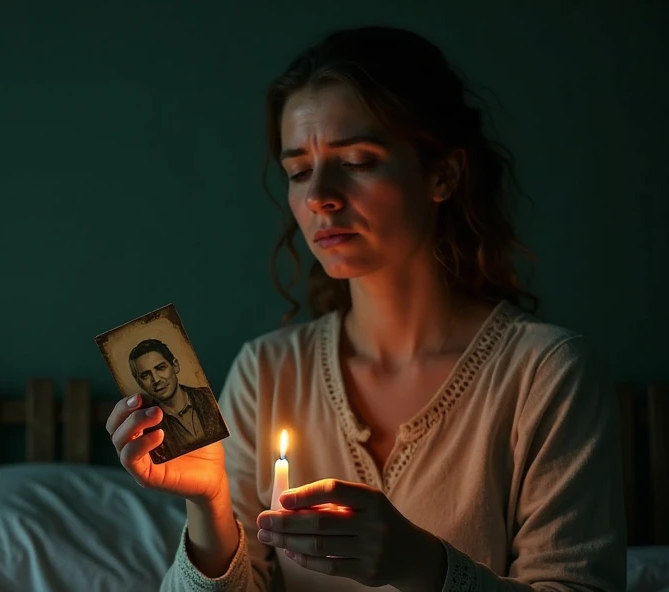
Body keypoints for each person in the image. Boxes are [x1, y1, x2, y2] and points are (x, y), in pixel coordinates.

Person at [105, 25, 625, 592]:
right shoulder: (266, 372)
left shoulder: (547, 375)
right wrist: (209, 506)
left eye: (356, 160)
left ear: (442, 174)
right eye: (299, 171)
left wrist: (422, 566)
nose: (319, 195)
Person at [129, 338, 228, 463]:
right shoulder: (147, 429)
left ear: (175, 365)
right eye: (145, 375)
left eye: (160, 368)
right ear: (139, 382)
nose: (156, 379)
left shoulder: (207, 397)